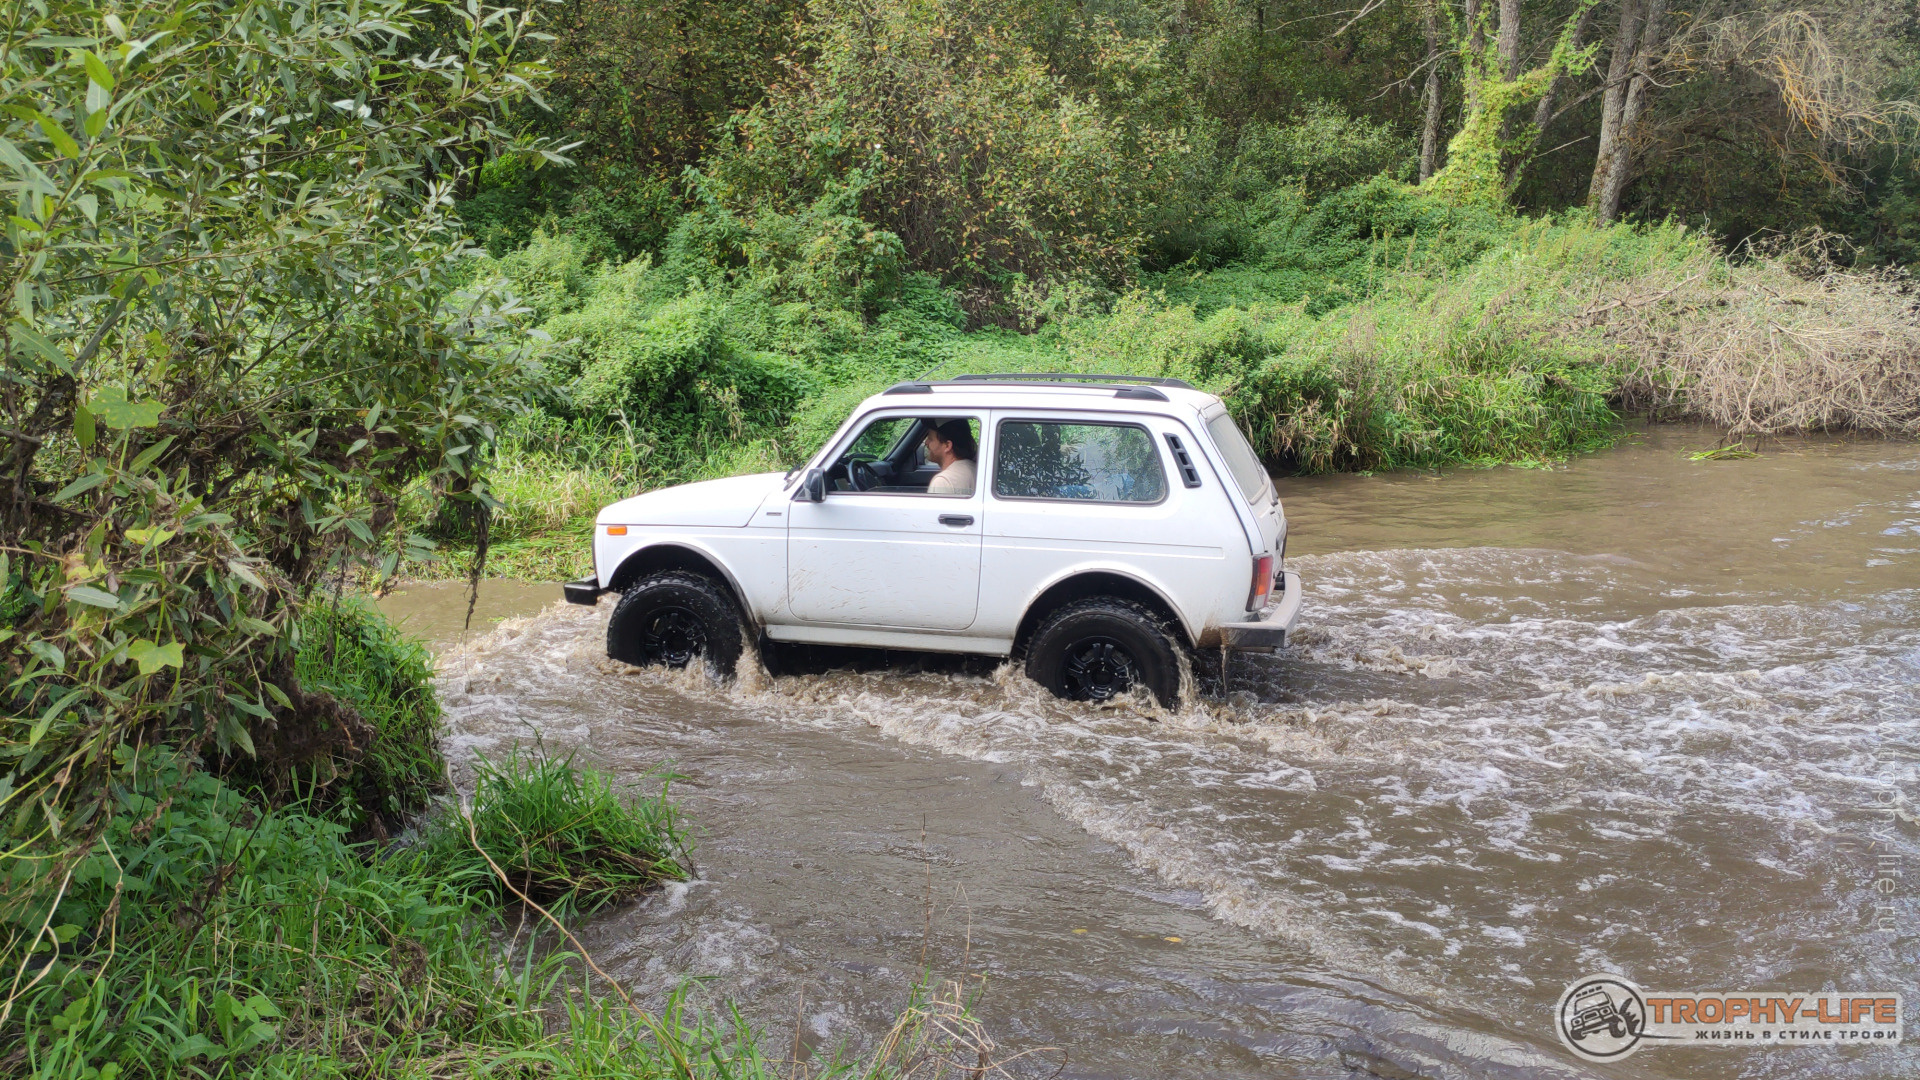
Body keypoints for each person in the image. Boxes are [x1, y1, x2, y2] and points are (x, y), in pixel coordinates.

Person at [923, 418, 977, 496]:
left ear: (947, 445)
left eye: (930, 439)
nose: (926, 442)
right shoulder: (974, 468)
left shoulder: (943, 481)